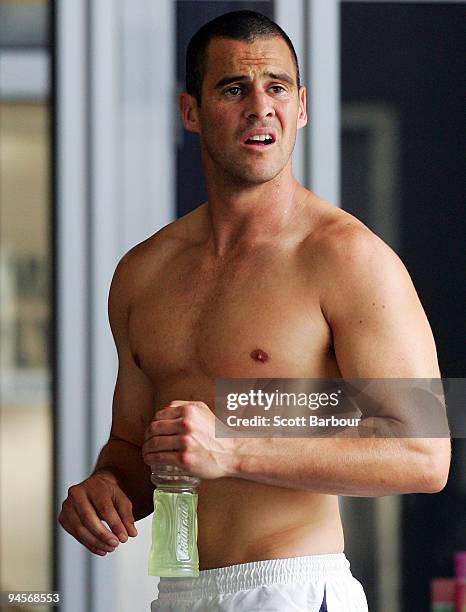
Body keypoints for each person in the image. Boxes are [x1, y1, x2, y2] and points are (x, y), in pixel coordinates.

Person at [58, 10, 451, 611]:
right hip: (178, 591)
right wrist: (107, 488)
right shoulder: (144, 272)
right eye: (234, 88)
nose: (260, 107)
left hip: (292, 588)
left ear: (301, 107)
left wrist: (234, 449)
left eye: (277, 87)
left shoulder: (348, 258)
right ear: (190, 111)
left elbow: (425, 456)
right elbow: (133, 442)